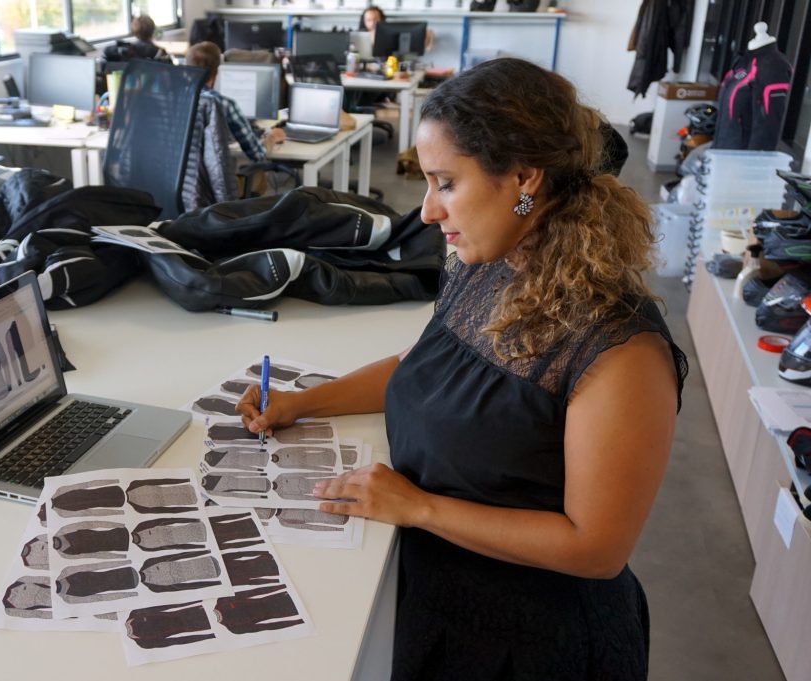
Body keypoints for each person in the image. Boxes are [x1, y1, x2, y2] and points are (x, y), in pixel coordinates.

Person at [238, 57, 687, 680]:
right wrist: (303, 402)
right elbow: (430, 365)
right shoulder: (487, 266)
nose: (425, 211)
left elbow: (597, 549)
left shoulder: (619, 351)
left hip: (534, 644)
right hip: (438, 602)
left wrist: (418, 508)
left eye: (445, 183)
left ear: (524, 179)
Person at [185, 41, 285, 164]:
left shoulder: (174, 100)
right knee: (256, 172)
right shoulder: (225, 105)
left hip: (179, 181)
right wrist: (272, 137)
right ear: (217, 71)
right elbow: (257, 154)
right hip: (215, 181)